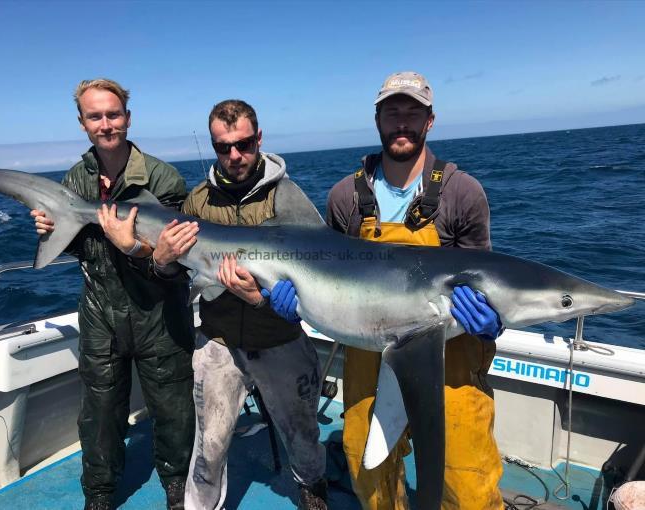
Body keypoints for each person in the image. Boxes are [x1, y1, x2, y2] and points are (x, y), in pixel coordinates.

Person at [267, 72, 505, 509]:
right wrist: (296, 302)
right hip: (369, 349)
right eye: (392, 112)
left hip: (449, 354)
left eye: (412, 112)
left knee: (466, 477)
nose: (402, 122)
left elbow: (488, 278)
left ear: (429, 121)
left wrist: (493, 321)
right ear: (377, 118)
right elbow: (326, 272)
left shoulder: (462, 193)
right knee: (366, 463)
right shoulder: (346, 197)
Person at [31, 78, 199, 510]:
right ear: (83, 123)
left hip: (159, 312)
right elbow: (82, 249)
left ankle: (178, 488)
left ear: (127, 117)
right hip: (100, 313)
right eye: (95, 116)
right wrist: (54, 233)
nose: (106, 124)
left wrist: (136, 248)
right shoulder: (74, 181)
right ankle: (100, 495)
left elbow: (178, 262)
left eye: (113, 114)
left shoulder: (163, 178)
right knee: (100, 414)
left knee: (174, 410)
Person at [154, 99, 328, 510]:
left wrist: (267, 302)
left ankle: (312, 485)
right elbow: (181, 276)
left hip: (280, 335)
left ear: (259, 139)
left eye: (244, 144)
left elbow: (321, 274)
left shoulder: (287, 198)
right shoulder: (196, 202)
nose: (235, 155)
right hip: (219, 337)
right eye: (223, 147)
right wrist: (161, 263)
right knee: (209, 445)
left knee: (303, 434)